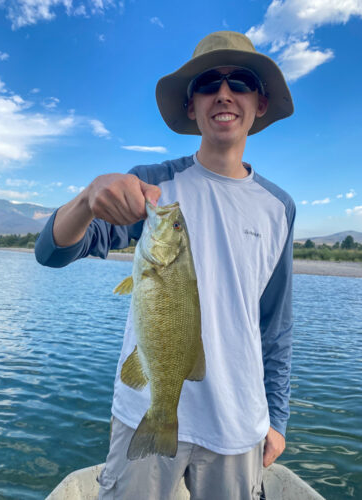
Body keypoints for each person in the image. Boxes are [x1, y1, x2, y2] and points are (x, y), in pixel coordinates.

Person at [35, 31, 296, 500]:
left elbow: (275, 324)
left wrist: (276, 418)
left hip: (239, 425)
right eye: (207, 83)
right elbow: (51, 253)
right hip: (143, 412)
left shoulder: (279, 207)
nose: (224, 93)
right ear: (191, 106)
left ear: (259, 102)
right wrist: (88, 199)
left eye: (240, 81)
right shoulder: (151, 187)